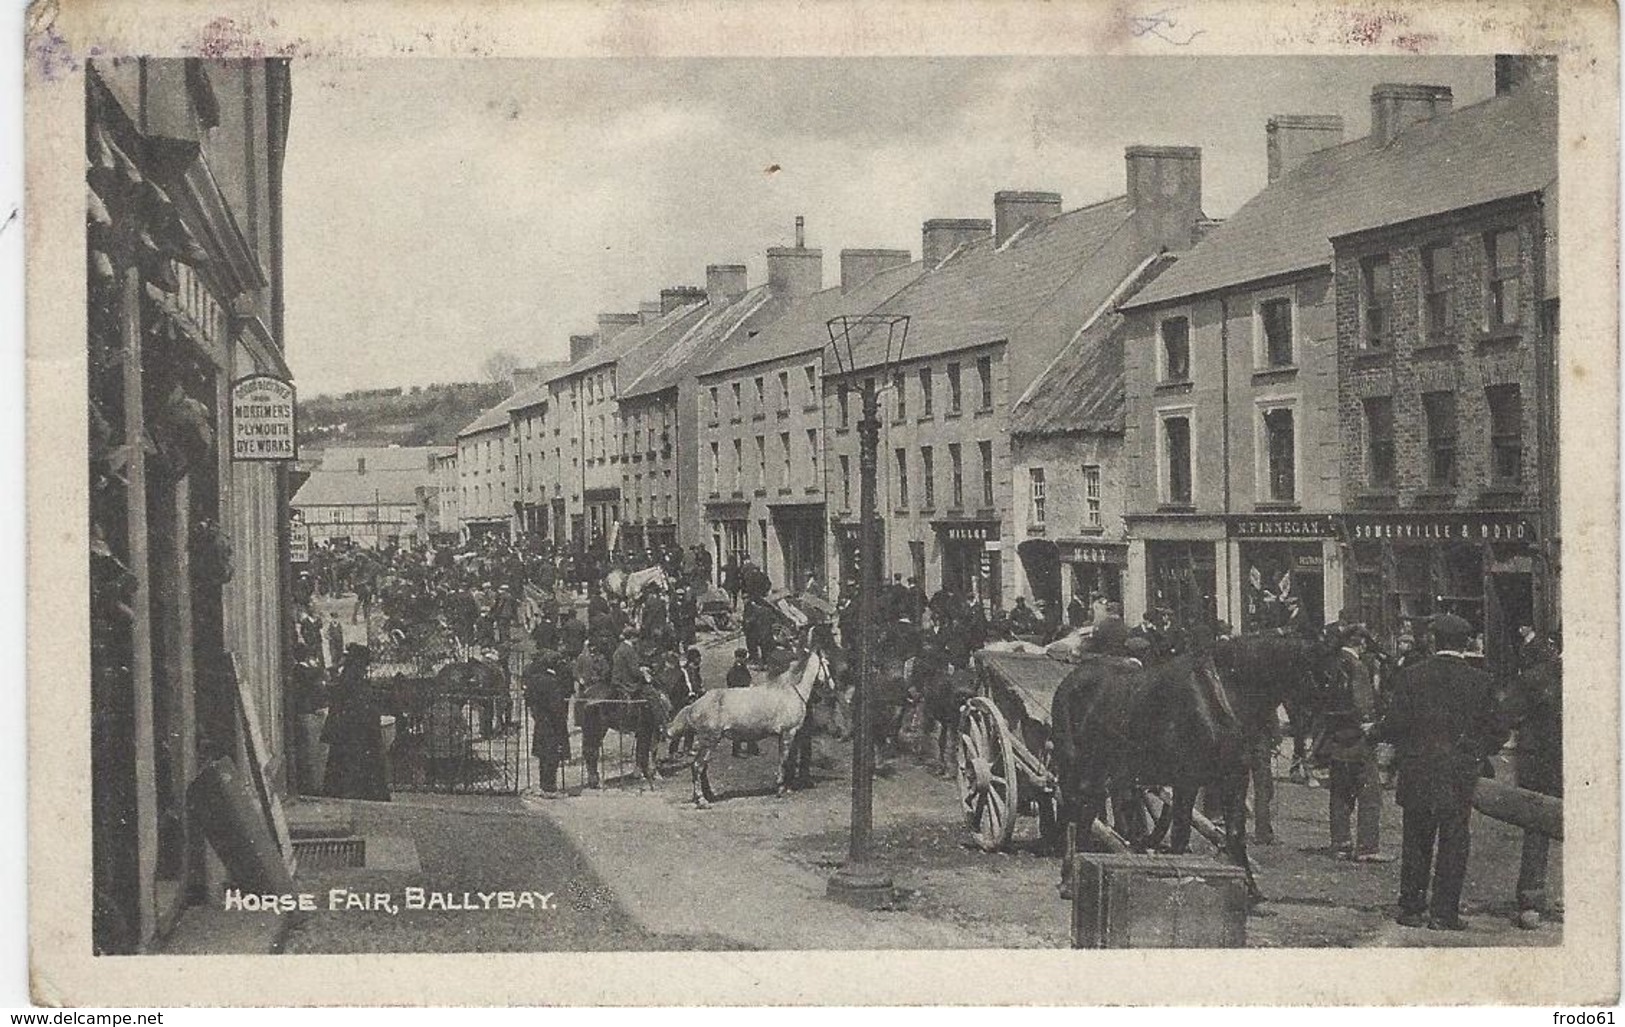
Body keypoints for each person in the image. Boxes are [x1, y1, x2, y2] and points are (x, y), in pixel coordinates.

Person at [1369, 614, 1508, 931]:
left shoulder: (1412, 676)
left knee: (1416, 839)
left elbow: (1395, 725)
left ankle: (1412, 909)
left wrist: (1384, 736)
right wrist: (1475, 751)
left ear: (1434, 641)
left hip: (1418, 768)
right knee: (1454, 840)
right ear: (1467, 644)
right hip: (1459, 772)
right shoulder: (1481, 681)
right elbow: (1499, 731)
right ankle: (1444, 914)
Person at [1504, 628, 1563, 928]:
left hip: (1539, 760)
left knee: (1537, 828)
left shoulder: (1535, 677)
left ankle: (1531, 900)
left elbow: (1508, 713)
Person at [1323, 625, 1388, 861]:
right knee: (1369, 793)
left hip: (1335, 736)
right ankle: (1367, 847)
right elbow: (1363, 705)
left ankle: (1340, 843)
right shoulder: (1357, 667)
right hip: (1357, 738)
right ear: (1359, 643)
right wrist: (1371, 724)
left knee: (1339, 793)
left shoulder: (1331, 664)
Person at [321, 644, 390, 801]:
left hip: (349, 731)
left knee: (345, 762)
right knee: (356, 763)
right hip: (356, 731)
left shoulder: (348, 677)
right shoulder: (354, 679)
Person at [523, 650, 572, 797]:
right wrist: (562, 720)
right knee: (552, 755)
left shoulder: (534, 680)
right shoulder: (552, 682)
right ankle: (550, 788)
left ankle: (544, 785)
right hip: (552, 723)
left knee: (543, 755)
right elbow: (556, 706)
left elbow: (528, 699)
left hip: (540, 721)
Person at [726, 648, 759, 757]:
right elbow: (735, 685)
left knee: (749, 724)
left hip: (744, 699)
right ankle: (737, 750)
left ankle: (752, 747)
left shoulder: (741, 668)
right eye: (744, 657)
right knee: (738, 726)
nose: (745, 659)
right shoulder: (735, 670)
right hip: (738, 700)